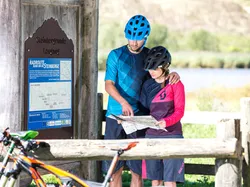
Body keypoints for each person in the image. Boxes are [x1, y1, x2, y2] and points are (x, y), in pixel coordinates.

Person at [102, 15, 180, 187]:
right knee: (114, 171)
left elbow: (160, 72)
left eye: (138, 39)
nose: (134, 42)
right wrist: (123, 102)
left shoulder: (148, 55)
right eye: (130, 37)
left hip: (139, 118)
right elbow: (108, 85)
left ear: (145, 37)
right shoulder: (116, 55)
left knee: (138, 171)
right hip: (115, 116)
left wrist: (173, 74)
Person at [140, 46, 185, 187]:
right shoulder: (147, 85)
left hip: (172, 135)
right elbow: (143, 110)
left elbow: (180, 111)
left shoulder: (176, 84)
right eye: (149, 69)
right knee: (156, 181)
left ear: (164, 66)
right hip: (151, 135)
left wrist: (166, 122)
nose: (151, 72)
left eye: (155, 68)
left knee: (170, 181)